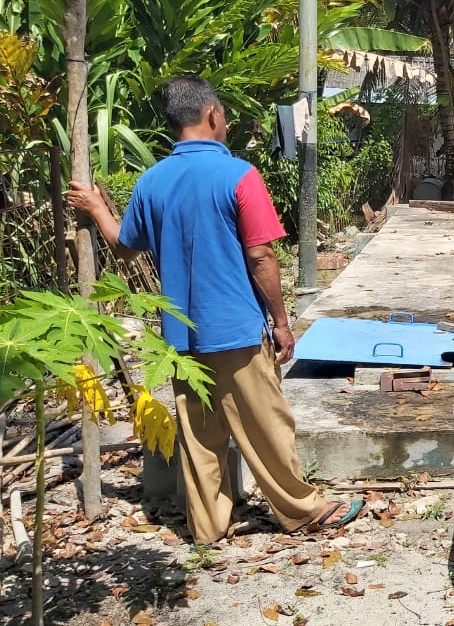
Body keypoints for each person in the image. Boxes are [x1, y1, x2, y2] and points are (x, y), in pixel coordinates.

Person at [65, 75, 361, 544]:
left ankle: (207, 527)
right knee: (267, 424)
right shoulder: (238, 175)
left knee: (200, 436)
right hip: (237, 330)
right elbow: (261, 256)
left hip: (180, 340)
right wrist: (282, 323)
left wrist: (99, 209)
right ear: (213, 116)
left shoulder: (152, 180)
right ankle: (303, 511)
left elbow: (125, 246)